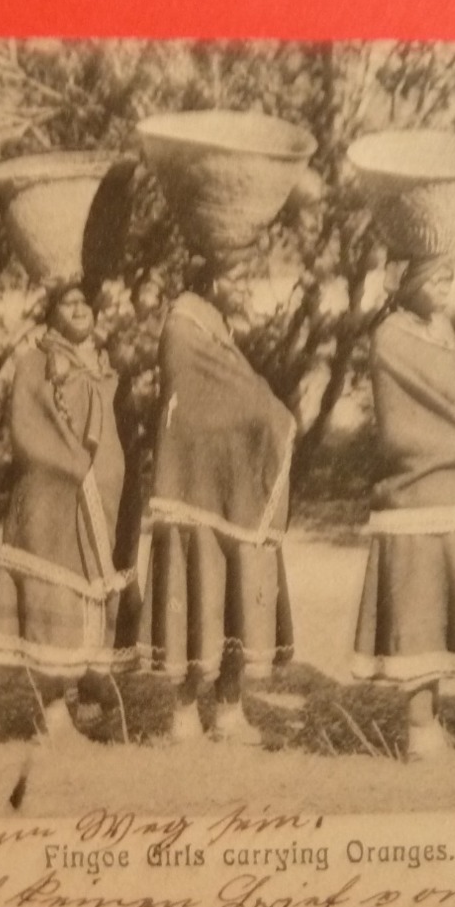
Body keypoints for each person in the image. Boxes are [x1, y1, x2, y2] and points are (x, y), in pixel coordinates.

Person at [351, 255, 455, 760]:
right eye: (438, 278)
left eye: (451, 278)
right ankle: (419, 730)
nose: (447, 287)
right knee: (419, 606)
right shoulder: (390, 339)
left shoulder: (441, 334)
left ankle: (432, 721)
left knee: (448, 605)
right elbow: (403, 431)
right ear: (412, 281)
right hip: (415, 486)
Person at [135, 283, 295, 743]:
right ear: (214, 276)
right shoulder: (183, 326)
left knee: (237, 603)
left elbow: (245, 394)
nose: (246, 284)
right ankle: (183, 714)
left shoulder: (219, 330)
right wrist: (263, 408)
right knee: (196, 600)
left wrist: (265, 414)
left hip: (235, 481)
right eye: (237, 273)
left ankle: (229, 710)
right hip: (195, 482)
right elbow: (197, 400)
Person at [0, 284, 131, 743]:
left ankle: (82, 703)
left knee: (87, 600)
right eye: (68, 303)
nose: (80, 309)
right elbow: (27, 432)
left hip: (98, 508)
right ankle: (52, 713)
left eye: (85, 302)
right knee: (51, 599)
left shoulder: (101, 368)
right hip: (50, 506)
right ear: (51, 313)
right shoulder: (34, 365)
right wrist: (73, 467)